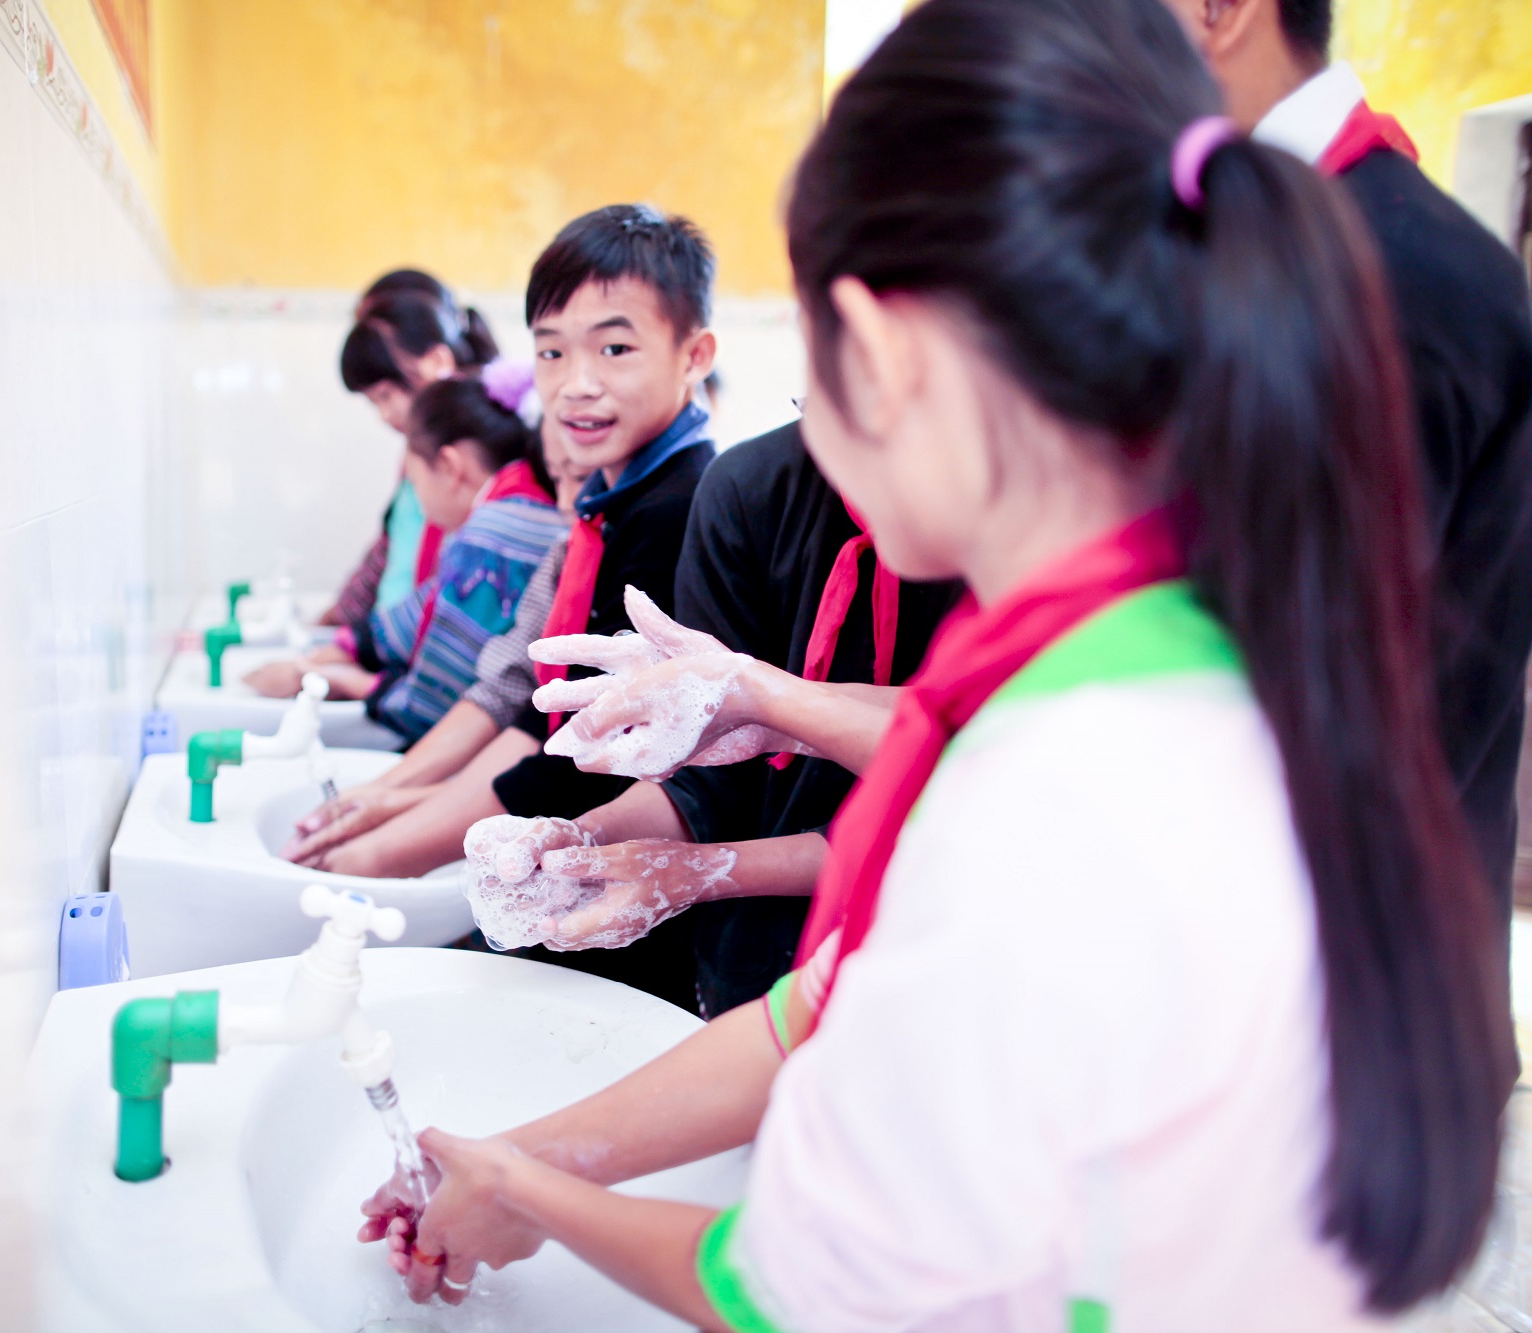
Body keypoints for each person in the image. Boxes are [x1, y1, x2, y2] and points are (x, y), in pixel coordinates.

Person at [356, 0, 1515, 1324]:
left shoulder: (1050, 793)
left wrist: (534, 1196)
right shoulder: (1165, 651)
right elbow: (818, 1007)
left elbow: (789, 1292)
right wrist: (524, 1163)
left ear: (881, 348)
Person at [1159, 0, 1532, 916]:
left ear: (1218, 11)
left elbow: (1325, 715)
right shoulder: (1243, 247)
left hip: (1354, 991)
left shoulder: (1397, 280)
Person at [277, 207, 719, 934]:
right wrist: (394, 802)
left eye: (613, 349)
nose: (576, 383)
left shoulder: (678, 510)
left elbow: (581, 753)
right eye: (552, 353)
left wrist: (390, 844)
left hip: (637, 885)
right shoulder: (616, 498)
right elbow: (532, 703)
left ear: (694, 355)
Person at [464, 419, 963, 1018]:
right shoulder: (751, 487)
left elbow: (974, 780)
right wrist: (587, 839)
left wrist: (706, 865)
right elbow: (714, 781)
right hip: (754, 964)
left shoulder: (1022, 529)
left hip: (938, 963)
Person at [282, 411, 592, 869]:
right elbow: (518, 695)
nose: (566, 502)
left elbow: (474, 703)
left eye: (582, 479)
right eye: (559, 478)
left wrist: (391, 807)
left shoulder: (499, 529)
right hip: (514, 780)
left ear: (448, 465)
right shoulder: (561, 537)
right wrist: (389, 795)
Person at [248, 375, 566, 742]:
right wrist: (333, 655)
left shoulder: (494, 532)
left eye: (415, 485)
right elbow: (417, 613)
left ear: (449, 467)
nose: (421, 505)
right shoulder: (521, 508)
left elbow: (434, 709)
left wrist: (338, 679)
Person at [322, 279, 502, 628]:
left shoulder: (472, 449)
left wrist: (369, 648)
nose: (384, 416)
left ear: (436, 359)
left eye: (387, 396)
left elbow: (457, 575)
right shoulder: (418, 451)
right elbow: (392, 546)